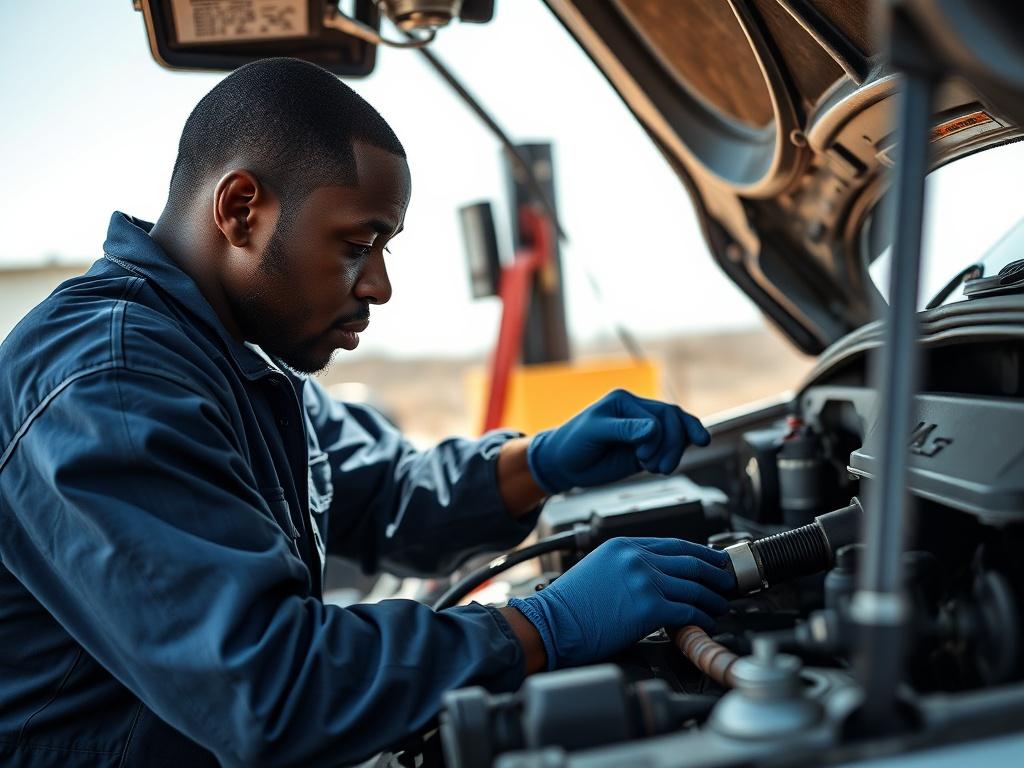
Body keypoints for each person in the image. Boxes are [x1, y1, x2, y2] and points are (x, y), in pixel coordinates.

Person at [0, 58, 735, 767]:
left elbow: (381, 495)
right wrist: (539, 627)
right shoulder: (111, 385)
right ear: (240, 210)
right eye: (358, 245)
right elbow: (271, 692)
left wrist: (537, 463)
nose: (379, 286)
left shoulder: (238, 358)